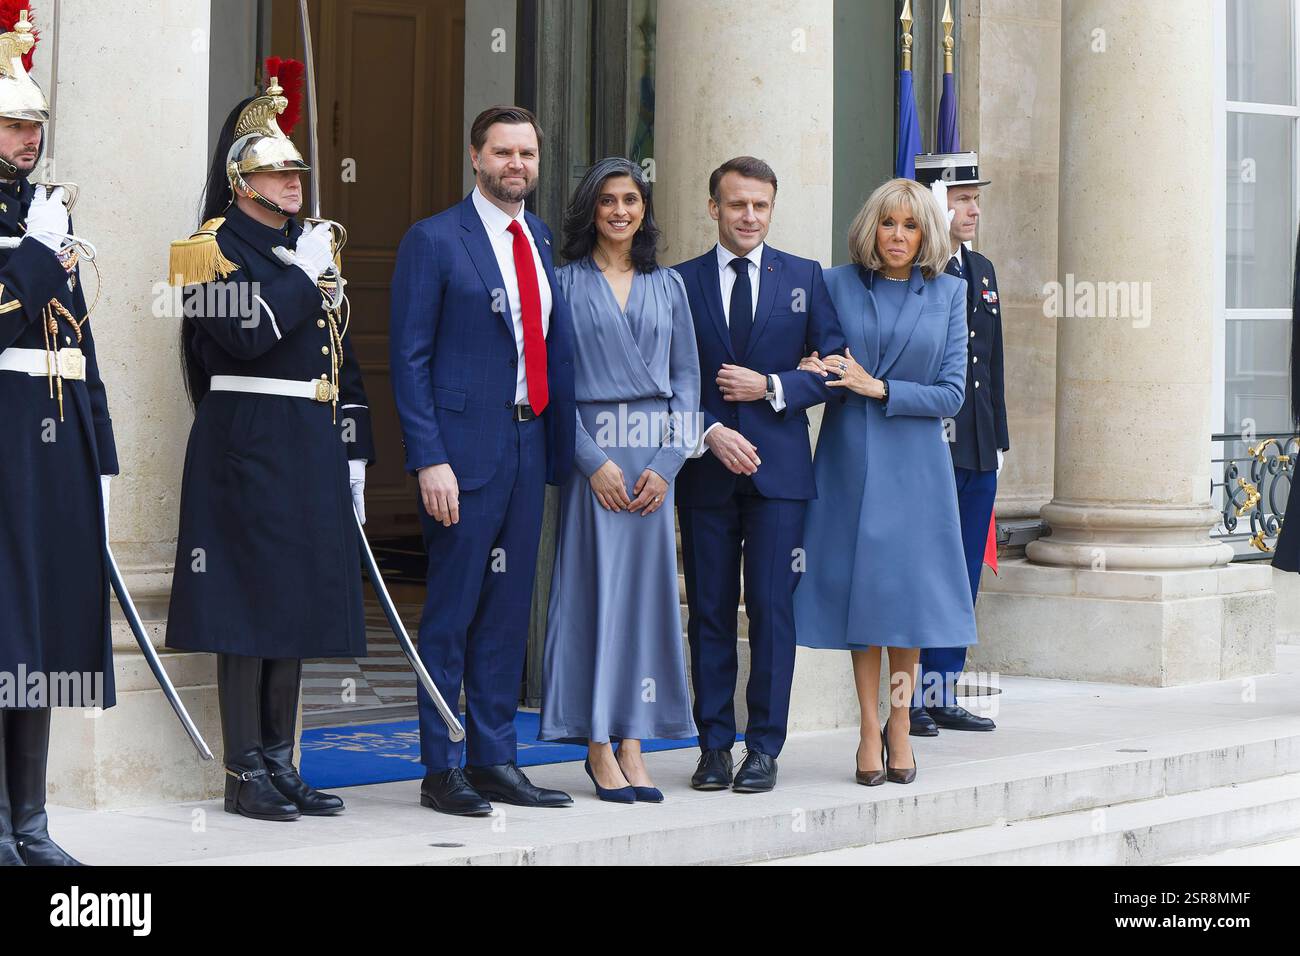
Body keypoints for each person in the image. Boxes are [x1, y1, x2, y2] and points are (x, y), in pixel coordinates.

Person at [165, 58, 372, 822]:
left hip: (307, 437)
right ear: (241, 180)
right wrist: (302, 277)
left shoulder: (307, 248)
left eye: (296, 172)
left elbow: (339, 353)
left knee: (295, 601)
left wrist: (355, 445)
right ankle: (244, 770)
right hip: (247, 438)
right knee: (246, 605)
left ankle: (282, 761)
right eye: (279, 172)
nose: (294, 183)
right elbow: (245, 334)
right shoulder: (209, 248)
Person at [390, 105, 576, 816]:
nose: (516, 165)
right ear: (476, 157)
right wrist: (428, 458)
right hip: (461, 456)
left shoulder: (542, 238)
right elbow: (409, 360)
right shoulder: (434, 239)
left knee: (506, 611)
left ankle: (495, 760)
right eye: (503, 152)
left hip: (529, 443)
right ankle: (441, 769)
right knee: (452, 612)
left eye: (527, 153)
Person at [673, 157, 846, 794]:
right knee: (709, 613)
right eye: (737, 204)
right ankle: (714, 747)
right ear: (713, 208)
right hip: (706, 473)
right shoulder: (679, 282)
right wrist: (706, 432)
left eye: (760, 206)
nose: (749, 216)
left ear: (772, 209)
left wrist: (771, 385)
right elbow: (663, 379)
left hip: (780, 479)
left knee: (773, 611)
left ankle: (765, 749)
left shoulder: (803, 277)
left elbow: (835, 367)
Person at [794, 177, 974, 786]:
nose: (898, 235)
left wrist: (880, 387)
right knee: (863, 595)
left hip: (917, 464)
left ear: (927, 234)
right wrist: (810, 366)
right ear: (871, 227)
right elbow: (814, 360)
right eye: (888, 223)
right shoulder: (834, 283)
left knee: (908, 601)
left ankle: (901, 723)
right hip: (848, 456)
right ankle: (868, 728)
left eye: (911, 225)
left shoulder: (950, 292)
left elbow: (951, 393)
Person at [539, 157, 700, 803]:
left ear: (644, 209)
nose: (620, 211)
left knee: (646, 602)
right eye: (607, 200)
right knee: (594, 595)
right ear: (591, 209)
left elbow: (687, 381)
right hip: (596, 462)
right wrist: (591, 461)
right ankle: (598, 744)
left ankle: (635, 740)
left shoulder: (669, 285)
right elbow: (551, 384)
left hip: (654, 464)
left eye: (630, 199)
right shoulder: (563, 284)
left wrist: (668, 465)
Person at [0, 7, 116, 865]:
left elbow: (78, 342)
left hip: (57, 443)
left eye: (34, 125)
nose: (27, 139)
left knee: (43, 629)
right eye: (12, 124)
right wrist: (37, 255)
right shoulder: (38, 229)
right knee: (5, 627)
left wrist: (100, 453)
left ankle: (31, 823)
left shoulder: (45, 212)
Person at [909, 152, 1006, 736]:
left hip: (976, 443)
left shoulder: (982, 267)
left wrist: (1000, 440)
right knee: (925, 570)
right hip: (928, 444)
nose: (972, 210)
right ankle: (910, 697)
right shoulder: (915, 270)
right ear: (934, 203)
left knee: (964, 571)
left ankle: (942, 689)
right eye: (961, 199)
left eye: (975, 199)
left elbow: (991, 364)